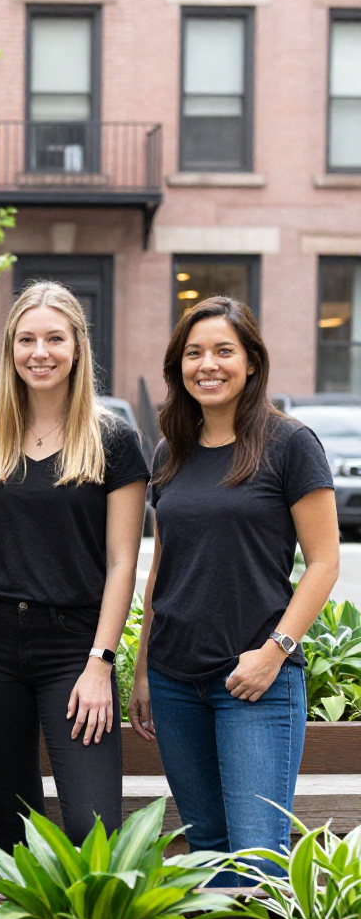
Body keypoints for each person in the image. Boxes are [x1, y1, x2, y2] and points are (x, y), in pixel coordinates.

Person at [129, 296, 339, 879]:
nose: (208, 365)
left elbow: (324, 563)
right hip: (175, 681)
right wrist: (144, 669)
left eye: (224, 351)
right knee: (207, 852)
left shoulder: (290, 444)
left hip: (254, 680)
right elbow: (164, 567)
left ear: (251, 362)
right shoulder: (171, 452)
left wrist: (274, 654)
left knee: (258, 856)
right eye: (194, 353)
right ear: (179, 367)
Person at [0, 281, 148, 850]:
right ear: (11, 350)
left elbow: (122, 565)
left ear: (78, 348)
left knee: (93, 828)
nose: (40, 352)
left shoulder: (114, 441)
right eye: (27, 339)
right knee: (13, 824)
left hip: (75, 649)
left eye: (54, 338)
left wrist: (100, 664)